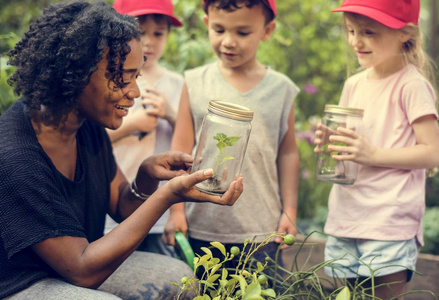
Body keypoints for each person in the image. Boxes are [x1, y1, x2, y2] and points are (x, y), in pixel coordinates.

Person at [0, 1, 243, 299]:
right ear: (75, 73)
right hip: (23, 284)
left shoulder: (85, 125)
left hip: (71, 268)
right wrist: (169, 195)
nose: (134, 92)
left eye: (135, 76)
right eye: (121, 77)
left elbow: (121, 206)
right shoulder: (17, 156)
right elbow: (83, 270)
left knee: (180, 279)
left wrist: (146, 178)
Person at [314, 0, 439, 298]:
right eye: (351, 30)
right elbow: (353, 149)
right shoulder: (354, 85)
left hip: (388, 220)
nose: (356, 40)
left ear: (405, 33)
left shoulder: (411, 86)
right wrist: (333, 143)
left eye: (369, 32)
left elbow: (432, 152)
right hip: (349, 215)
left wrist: (374, 155)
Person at [163, 0, 300, 268]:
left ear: (267, 30)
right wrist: (176, 210)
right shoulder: (194, 82)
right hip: (199, 225)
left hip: (261, 230)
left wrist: (291, 211)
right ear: (206, 24)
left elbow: (288, 153)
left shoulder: (282, 90)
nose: (228, 41)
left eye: (242, 32)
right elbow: (179, 149)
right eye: (219, 29)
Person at [106, 0, 186, 257]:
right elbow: (93, 138)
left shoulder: (178, 85)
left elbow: (190, 138)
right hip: (113, 206)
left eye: (158, 33)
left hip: (158, 211)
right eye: (140, 32)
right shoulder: (109, 81)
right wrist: (133, 124)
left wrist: (170, 115)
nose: (149, 41)